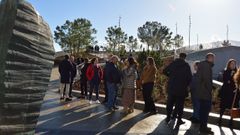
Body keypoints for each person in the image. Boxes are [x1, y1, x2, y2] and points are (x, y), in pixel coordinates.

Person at [163, 53, 192, 126]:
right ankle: (179, 119)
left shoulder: (173, 63)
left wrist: (170, 76)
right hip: (181, 89)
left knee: (170, 103)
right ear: (185, 58)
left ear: (179, 57)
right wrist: (186, 84)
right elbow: (189, 78)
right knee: (180, 105)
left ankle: (168, 117)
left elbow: (164, 71)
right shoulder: (186, 66)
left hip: (172, 87)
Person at [195, 53, 215, 134]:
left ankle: (203, 127)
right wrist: (210, 90)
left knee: (203, 110)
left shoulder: (202, 65)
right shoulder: (207, 66)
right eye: (213, 58)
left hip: (201, 92)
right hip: (205, 92)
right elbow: (207, 80)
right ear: (209, 58)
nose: (214, 60)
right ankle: (203, 128)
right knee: (205, 111)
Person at [218, 59, 239, 127]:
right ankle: (220, 119)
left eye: (234, 64)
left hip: (233, 92)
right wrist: (230, 76)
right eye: (231, 64)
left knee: (232, 107)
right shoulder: (226, 71)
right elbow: (226, 80)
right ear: (229, 64)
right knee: (223, 106)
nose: (233, 65)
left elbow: (236, 82)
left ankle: (231, 122)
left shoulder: (237, 72)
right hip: (226, 92)